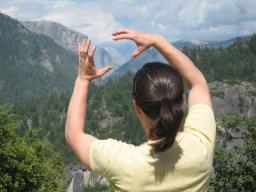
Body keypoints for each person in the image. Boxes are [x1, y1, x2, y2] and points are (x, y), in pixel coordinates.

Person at [65, 29, 216, 192]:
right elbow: (198, 83)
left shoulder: (125, 164)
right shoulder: (200, 147)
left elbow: (73, 135)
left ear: (136, 107)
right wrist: (159, 41)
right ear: (182, 101)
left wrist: (83, 79)